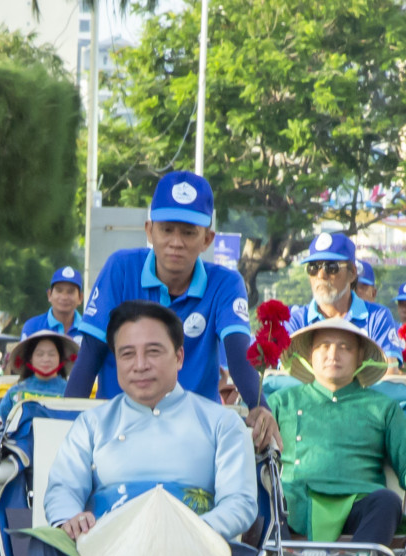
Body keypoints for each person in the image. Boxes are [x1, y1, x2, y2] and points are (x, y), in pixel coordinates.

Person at [30, 301, 256, 556]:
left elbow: (240, 502)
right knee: (46, 544)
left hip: (186, 545)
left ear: (179, 357)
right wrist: (70, 518)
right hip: (105, 543)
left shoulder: (220, 423)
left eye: (153, 352)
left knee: (190, 555)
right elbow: (63, 487)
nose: (140, 365)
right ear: (115, 361)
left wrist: (194, 531)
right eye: (126, 354)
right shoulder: (93, 423)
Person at [65, 171, 274, 448]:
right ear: (149, 230)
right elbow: (90, 354)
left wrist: (260, 407)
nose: (176, 242)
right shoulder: (120, 269)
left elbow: (238, 355)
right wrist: (64, 425)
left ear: (207, 239)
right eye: (167, 230)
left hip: (196, 438)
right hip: (118, 434)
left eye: (189, 232)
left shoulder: (225, 282)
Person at [268, 320, 406, 543]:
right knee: (265, 500)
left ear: (360, 357)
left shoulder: (383, 407)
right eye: (323, 346)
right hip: (295, 501)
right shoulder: (281, 402)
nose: (333, 354)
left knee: (388, 502)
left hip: (361, 500)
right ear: (311, 354)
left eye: (345, 347)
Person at [285, 232, 401, 357]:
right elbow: (287, 372)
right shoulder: (296, 320)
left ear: (352, 273)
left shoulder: (377, 317)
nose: (321, 275)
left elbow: (389, 370)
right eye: (313, 267)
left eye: (331, 267)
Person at [0, 332, 76, 423]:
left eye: (51, 354)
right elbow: (0, 425)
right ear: (30, 359)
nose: (46, 359)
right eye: (40, 354)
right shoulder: (15, 392)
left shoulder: (71, 392)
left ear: (60, 358)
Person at [21, 265, 91, 342]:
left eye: (70, 291)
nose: (64, 297)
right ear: (49, 295)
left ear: (80, 298)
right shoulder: (33, 327)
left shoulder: (89, 330)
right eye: (59, 290)